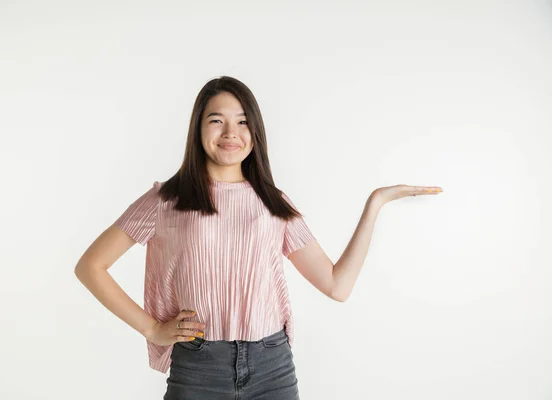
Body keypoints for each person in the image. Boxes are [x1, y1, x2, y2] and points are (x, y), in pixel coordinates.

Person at [74, 76, 443, 399]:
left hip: (272, 367)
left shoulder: (272, 202)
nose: (230, 133)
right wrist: (153, 328)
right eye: (216, 120)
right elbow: (91, 266)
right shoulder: (166, 200)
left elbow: (336, 285)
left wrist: (375, 203)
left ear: (255, 132)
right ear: (198, 128)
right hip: (199, 368)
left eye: (242, 122)